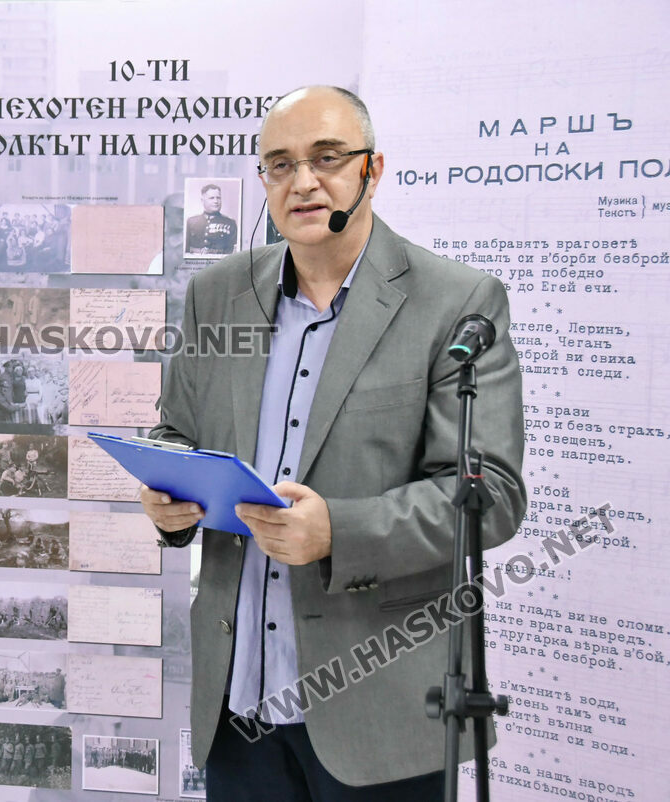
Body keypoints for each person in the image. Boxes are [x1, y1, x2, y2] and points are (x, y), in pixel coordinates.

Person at [142, 86, 526, 800]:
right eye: (280, 164)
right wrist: (168, 495)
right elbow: (178, 433)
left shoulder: (457, 302)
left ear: (372, 170)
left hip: (378, 709)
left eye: (326, 158)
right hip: (238, 703)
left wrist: (337, 534)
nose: (303, 182)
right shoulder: (218, 295)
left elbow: (491, 496)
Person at [184, 183, 238, 256]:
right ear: (202, 201)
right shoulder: (191, 222)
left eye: (218, 198)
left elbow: (233, 253)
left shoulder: (230, 223)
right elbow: (186, 249)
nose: (216, 201)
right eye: (211, 198)